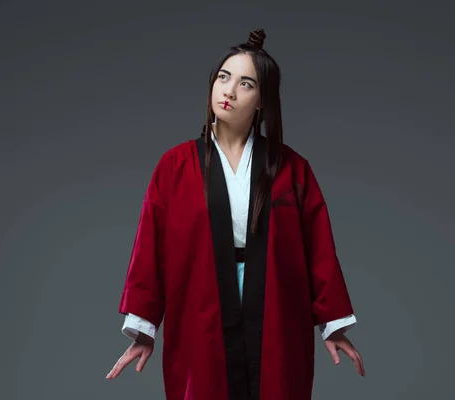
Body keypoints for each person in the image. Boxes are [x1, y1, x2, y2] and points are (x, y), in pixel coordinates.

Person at [106, 29, 365, 400]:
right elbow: (150, 248)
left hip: (275, 303)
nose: (228, 91)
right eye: (223, 78)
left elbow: (319, 249)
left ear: (262, 101)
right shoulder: (175, 165)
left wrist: (333, 324)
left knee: (275, 384)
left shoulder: (291, 168)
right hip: (201, 302)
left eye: (246, 84)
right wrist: (144, 329)